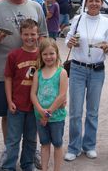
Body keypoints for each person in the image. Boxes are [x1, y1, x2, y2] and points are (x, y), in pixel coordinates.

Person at [0, 0, 48, 170]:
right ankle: (9, 150)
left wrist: (47, 61)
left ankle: (31, 151)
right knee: (7, 111)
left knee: (33, 111)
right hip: (6, 71)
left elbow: (44, 35)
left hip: (33, 71)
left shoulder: (36, 7)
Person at [64, 0, 108, 161]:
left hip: (97, 70)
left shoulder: (107, 22)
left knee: (92, 111)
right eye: (90, 0)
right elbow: (68, 40)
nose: (94, 3)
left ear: (102, 3)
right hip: (77, 69)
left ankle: (89, 145)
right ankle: (74, 147)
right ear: (86, 2)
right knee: (76, 111)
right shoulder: (77, 19)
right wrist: (70, 42)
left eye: (97, 0)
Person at [1, 19, 39, 171]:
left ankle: (27, 163)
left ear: (38, 34)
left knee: (31, 139)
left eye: (33, 34)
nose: (30, 37)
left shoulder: (42, 55)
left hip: (34, 106)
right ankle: (8, 166)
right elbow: (8, 78)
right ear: (20, 35)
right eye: (26, 34)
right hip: (17, 105)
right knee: (13, 139)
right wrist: (9, 100)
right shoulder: (14, 55)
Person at [31, 38, 68, 171]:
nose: (48, 57)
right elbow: (33, 94)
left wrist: (48, 113)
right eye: (45, 54)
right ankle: (44, 168)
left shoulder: (62, 72)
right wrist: (41, 111)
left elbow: (62, 95)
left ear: (57, 54)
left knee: (57, 143)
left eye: (51, 53)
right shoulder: (38, 73)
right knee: (44, 143)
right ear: (41, 55)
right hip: (39, 115)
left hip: (56, 116)